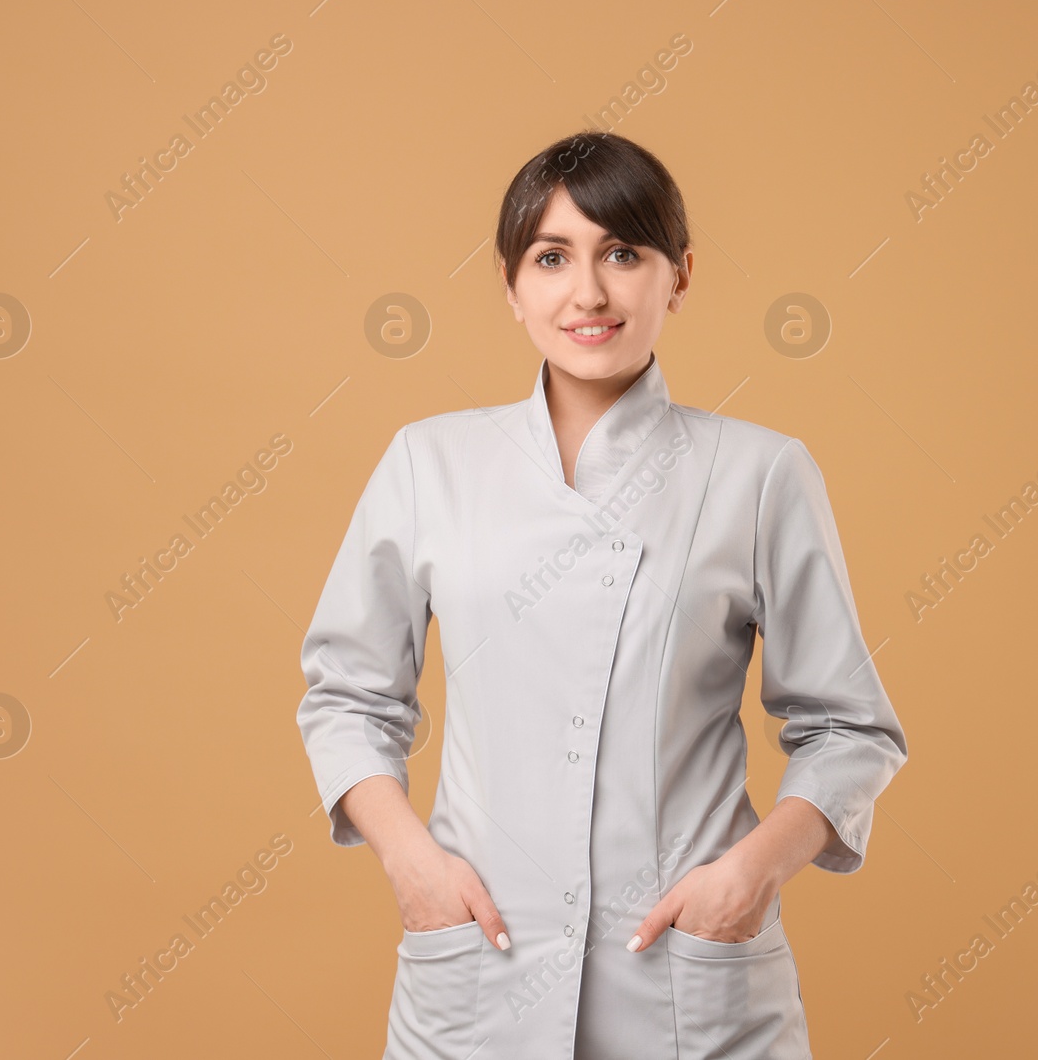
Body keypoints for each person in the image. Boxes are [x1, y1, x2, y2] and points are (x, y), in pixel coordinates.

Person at [296, 131, 909, 1060]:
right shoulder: (431, 463)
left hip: (686, 980)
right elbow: (348, 694)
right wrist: (411, 862)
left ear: (680, 276)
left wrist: (750, 874)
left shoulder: (759, 472)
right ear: (511, 286)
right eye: (552, 258)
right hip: (478, 968)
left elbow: (850, 727)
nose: (588, 293)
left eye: (623, 253)